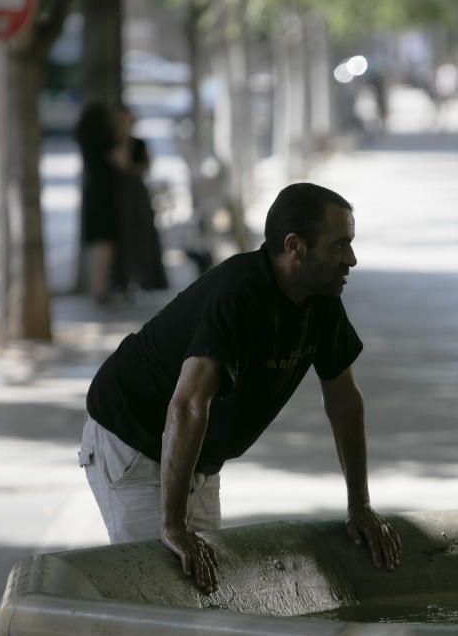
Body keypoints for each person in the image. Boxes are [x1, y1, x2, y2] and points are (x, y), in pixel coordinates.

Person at [80, 183, 401, 593]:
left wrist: (361, 505)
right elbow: (189, 404)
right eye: (339, 245)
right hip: (132, 438)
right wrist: (174, 525)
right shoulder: (239, 294)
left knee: (204, 589)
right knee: (159, 591)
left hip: (195, 455)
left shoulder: (321, 300)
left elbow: (344, 401)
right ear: (295, 246)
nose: (351, 259)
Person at [112, 104, 169, 295]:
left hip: (137, 193)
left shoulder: (139, 143)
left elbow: (143, 165)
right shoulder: (113, 143)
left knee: (143, 236)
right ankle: (124, 282)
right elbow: (122, 164)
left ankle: (145, 280)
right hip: (119, 195)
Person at [74, 102, 121, 304]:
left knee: (99, 245)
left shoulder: (86, 139)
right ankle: (100, 289)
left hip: (92, 192)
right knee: (105, 243)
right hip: (104, 194)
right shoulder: (104, 140)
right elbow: (121, 161)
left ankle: (98, 287)